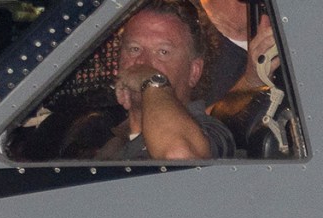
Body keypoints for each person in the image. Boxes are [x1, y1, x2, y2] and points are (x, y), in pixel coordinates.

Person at [88, 1, 236, 161]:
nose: (143, 63)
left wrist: (151, 80)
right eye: (134, 49)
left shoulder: (209, 132)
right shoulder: (97, 131)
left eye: (162, 52)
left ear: (194, 72)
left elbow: (179, 155)